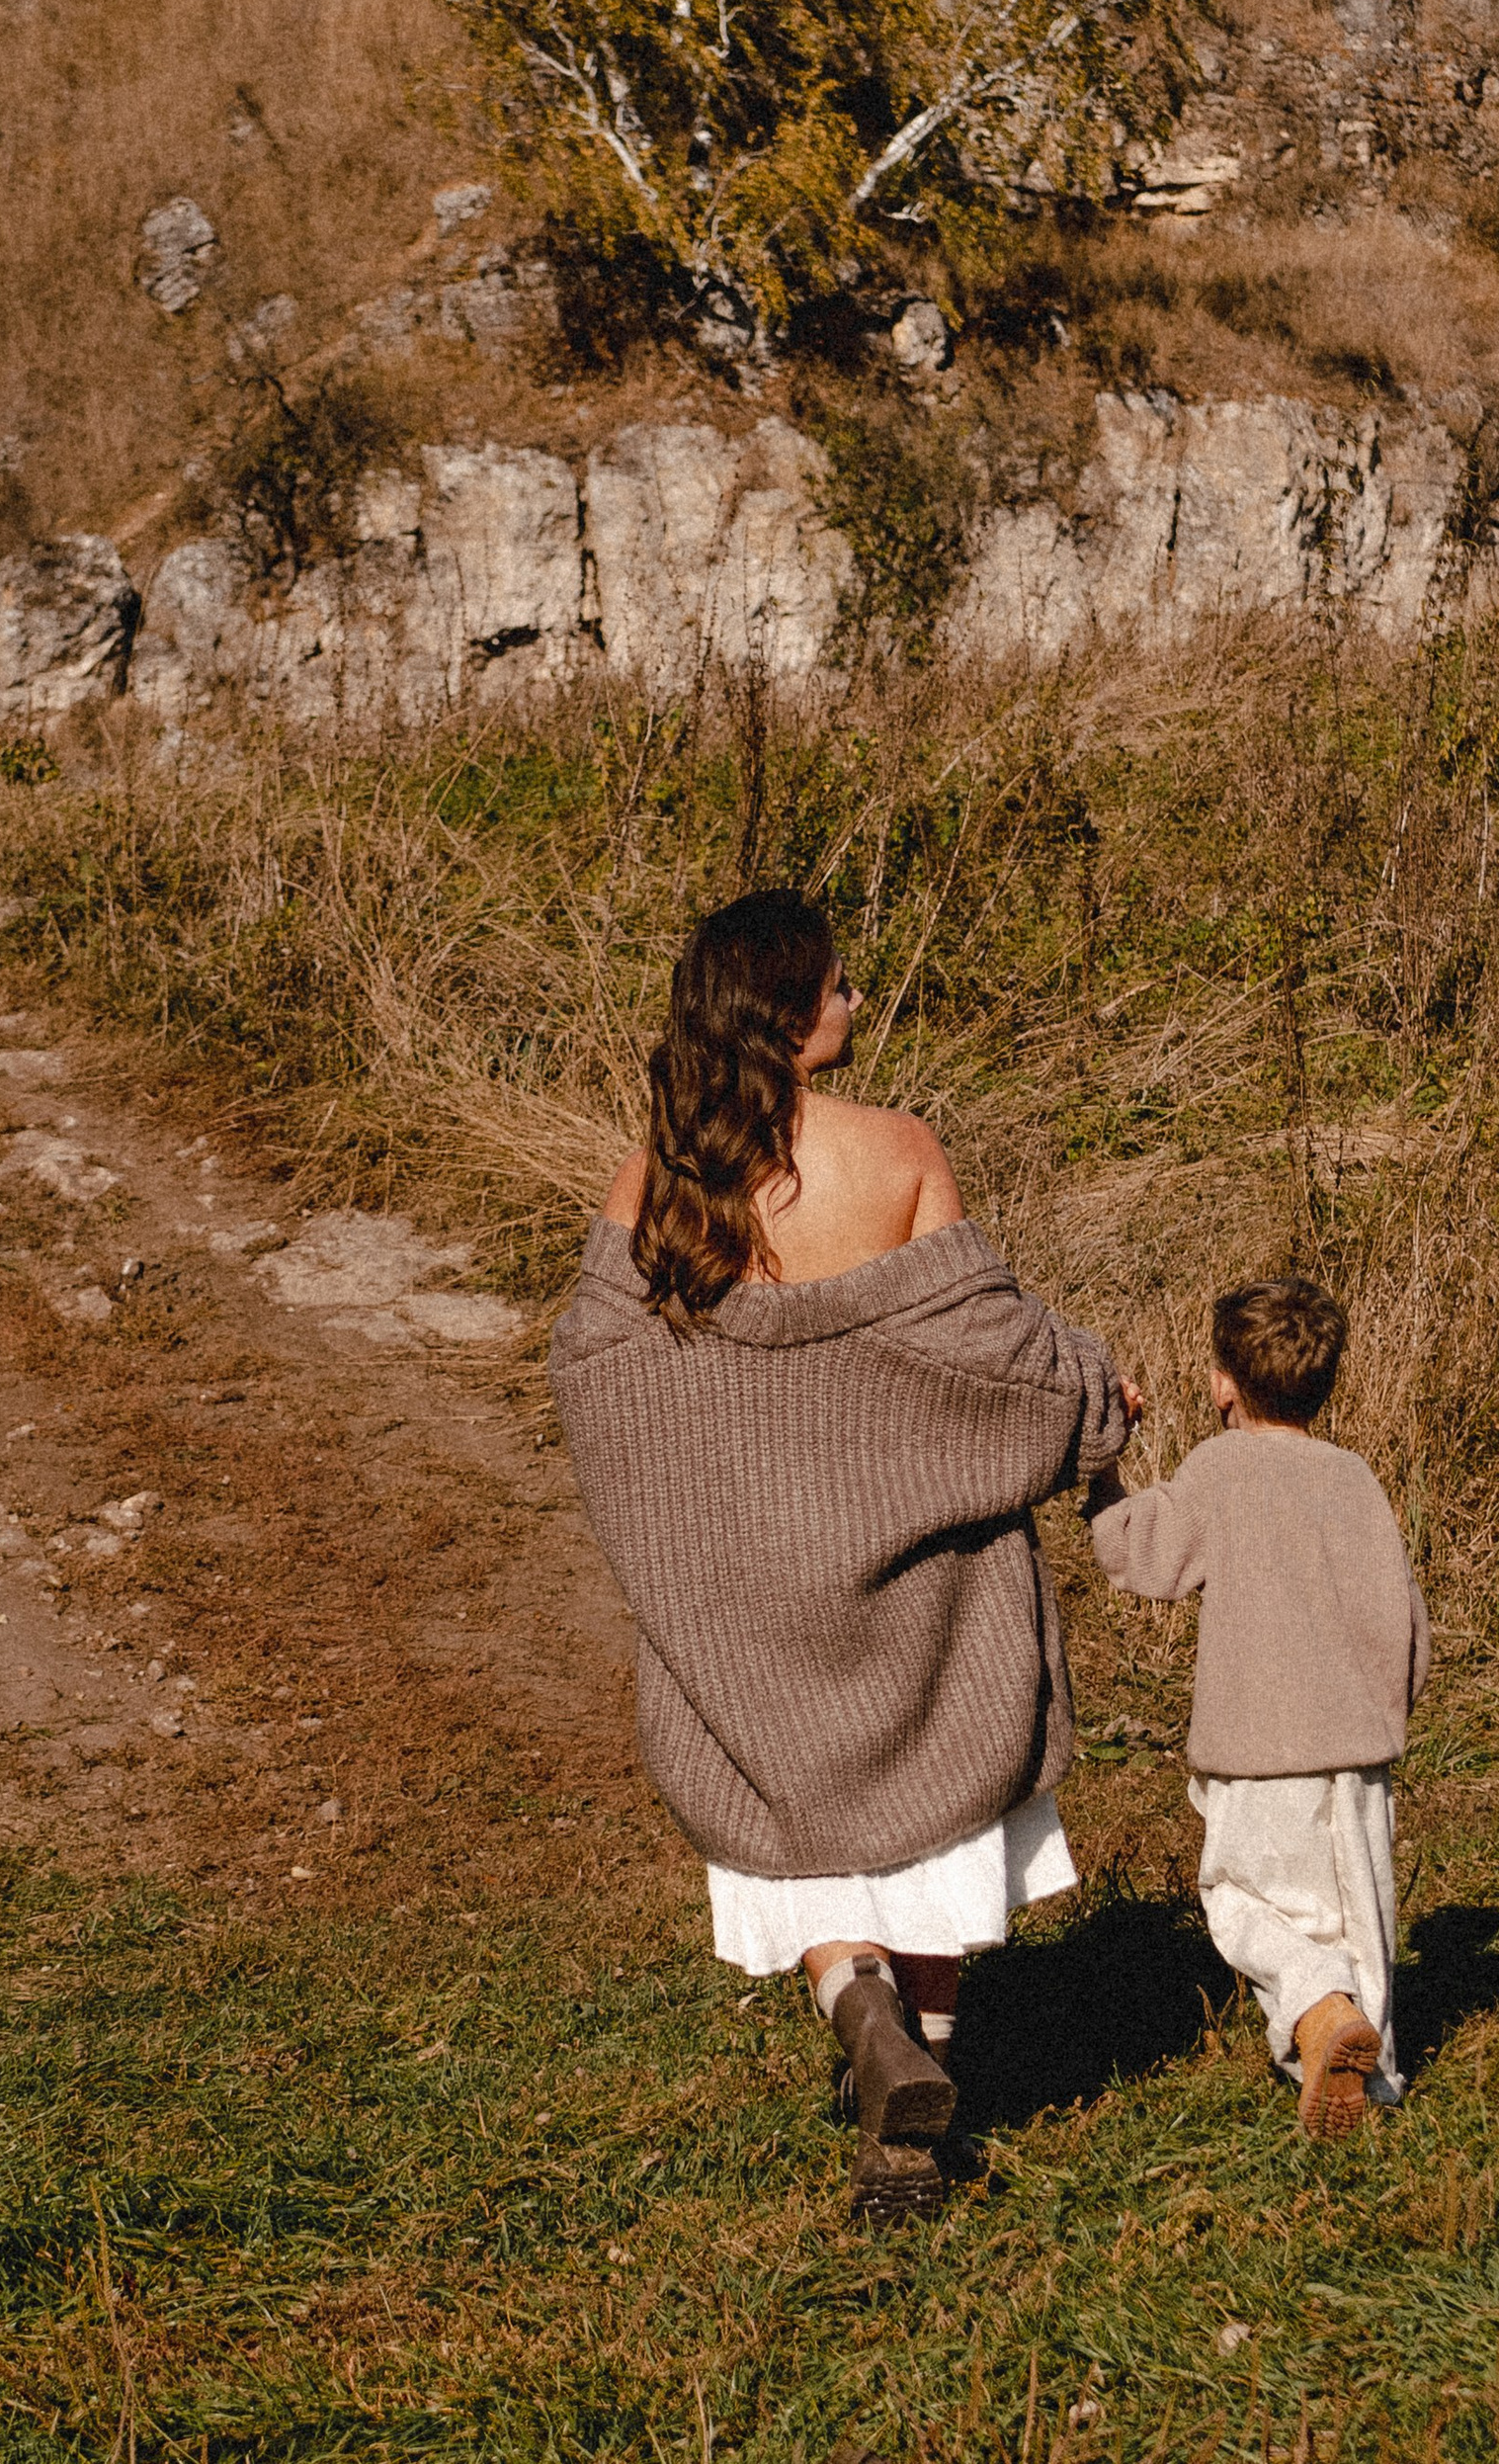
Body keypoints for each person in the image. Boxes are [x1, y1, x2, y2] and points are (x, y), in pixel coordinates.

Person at [550, 888, 1137, 2225]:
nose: (858, 1001)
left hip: (746, 1596)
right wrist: (1095, 1396)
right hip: (911, 1586)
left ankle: (852, 1998)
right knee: (931, 1833)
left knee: (798, 1839)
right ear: (786, 1009)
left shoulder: (659, 1174)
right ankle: (914, 2105)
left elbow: (594, 1367)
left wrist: (704, 1505)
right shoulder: (899, 1150)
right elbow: (995, 1357)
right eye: (839, 984)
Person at [1085, 1275, 1429, 2138]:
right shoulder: (1355, 1478)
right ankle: (1367, 2066)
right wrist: (1389, 1710)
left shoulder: (1219, 1469)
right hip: (1357, 1751)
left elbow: (1138, 1554)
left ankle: (1319, 2016)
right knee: (1356, 1911)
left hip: (1255, 1750)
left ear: (1221, 1383)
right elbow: (1408, 1621)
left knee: (1243, 1900)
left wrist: (1101, 1466)